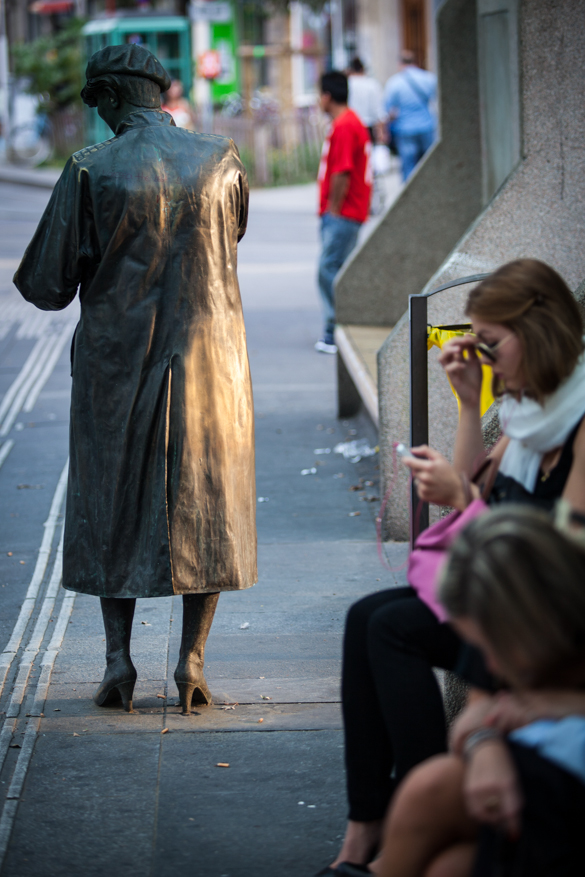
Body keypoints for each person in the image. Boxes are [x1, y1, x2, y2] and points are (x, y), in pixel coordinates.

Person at [13, 44, 256, 716]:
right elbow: (231, 237)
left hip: (116, 365)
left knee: (110, 501)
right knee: (204, 496)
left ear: (114, 96)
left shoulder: (90, 169)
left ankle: (119, 661)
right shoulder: (220, 159)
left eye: (98, 103)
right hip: (212, 366)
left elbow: (44, 286)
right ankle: (192, 663)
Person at [323, 259, 585, 874]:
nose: (484, 358)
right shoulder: (530, 414)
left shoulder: (573, 420)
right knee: (367, 617)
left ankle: (421, 793)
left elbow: (558, 564)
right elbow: (471, 499)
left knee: (388, 627)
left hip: (548, 619)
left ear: (541, 330)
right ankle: (367, 825)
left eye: (491, 344)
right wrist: (470, 406)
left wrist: (465, 499)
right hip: (509, 602)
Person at [372, 506, 585, 877]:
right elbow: (476, 713)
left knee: (434, 790)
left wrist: (572, 705)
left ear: (533, 620)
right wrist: (485, 746)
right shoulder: (519, 642)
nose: (492, 667)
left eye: (496, 648)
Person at [315, 70, 372, 355]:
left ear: (327, 96)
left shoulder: (345, 125)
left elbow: (342, 171)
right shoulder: (346, 122)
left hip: (343, 212)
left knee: (329, 270)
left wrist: (334, 209)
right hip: (344, 211)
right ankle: (337, 329)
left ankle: (335, 330)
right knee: (335, 268)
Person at [383, 49, 436, 181]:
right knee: (428, 164)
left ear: (400, 63)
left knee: (408, 167)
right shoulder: (428, 78)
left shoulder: (394, 82)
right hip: (427, 126)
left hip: (405, 129)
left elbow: (388, 109)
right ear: (415, 62)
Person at [347, 57, 385, 143]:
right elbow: (379, 111)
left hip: (349, 127)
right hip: (367, 127)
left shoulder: (346, 84)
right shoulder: (372, 84)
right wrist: (381, 131)